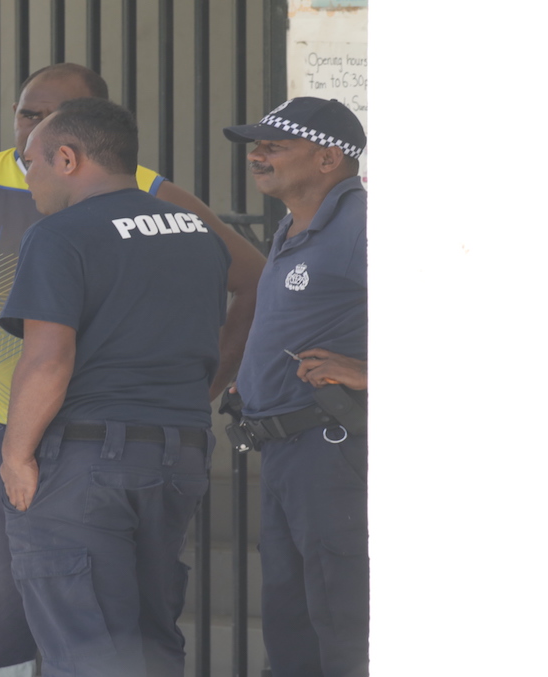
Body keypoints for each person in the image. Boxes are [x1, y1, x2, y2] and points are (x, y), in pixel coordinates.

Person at [0, 62, 264, 676]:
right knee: (54, 616)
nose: (28, 132)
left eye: (48, 121)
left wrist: (18, 453)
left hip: (59, 444)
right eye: (26, 112)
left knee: (83, 632)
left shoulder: (109, 213)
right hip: (16, 425)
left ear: (74, 145)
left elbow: (49, 357)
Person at [0, 97, 229, 676]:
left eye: (31, 163)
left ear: (67, 159)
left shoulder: (61, 234)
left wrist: (15, 453)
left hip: (87, 460)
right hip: (181, 451)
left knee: (87, 646)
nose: (29, 180)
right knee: (151, 639)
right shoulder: (197, 231)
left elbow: (47, 360)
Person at [222, 97, 368, 677]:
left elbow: (458, 313)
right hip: (284, 450)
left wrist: (372, 372)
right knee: (291, 618)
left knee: (342, 614)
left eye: (273, 145)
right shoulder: (293, 223)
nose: (257, 155)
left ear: (329, 157)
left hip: (330, 449)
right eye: (255, 145)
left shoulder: (363, 223)